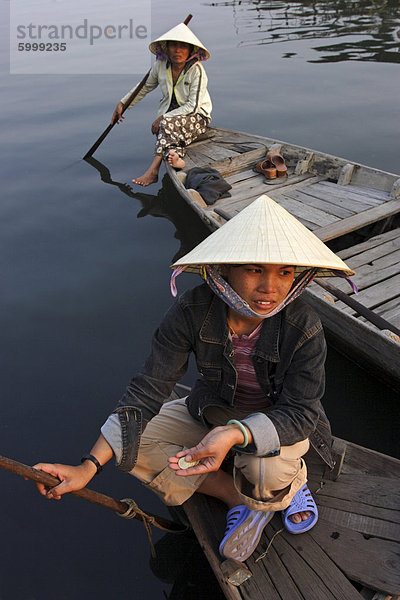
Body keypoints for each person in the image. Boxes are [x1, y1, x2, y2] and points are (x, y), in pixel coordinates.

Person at [34, 194, 355, 563]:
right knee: (130, 448)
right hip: (211, 410)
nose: (271, 287)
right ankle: (236, 496)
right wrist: (87, 467)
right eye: (254, 269)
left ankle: (287, 484)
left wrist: (236, 434)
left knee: (265, 472)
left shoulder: (304, 326)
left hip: (279, 421)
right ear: (225, 268)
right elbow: (147, 390)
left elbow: (300, 413)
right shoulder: (191, 310)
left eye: (284, 271)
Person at [111, 22, 212, 186]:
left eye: (183, 46)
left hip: (197, 117)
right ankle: (177, 157)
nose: (178, 50)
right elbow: (144, 87)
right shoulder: (160, 66)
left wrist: (163, 118)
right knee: (167, 130)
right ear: (166, 48)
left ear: (190, 50)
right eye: (173, 45)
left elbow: (193, 107)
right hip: (171, 120)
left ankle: (153, 171)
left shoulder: (197, 70)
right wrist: (123, 104)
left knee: (165, 125)